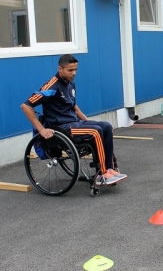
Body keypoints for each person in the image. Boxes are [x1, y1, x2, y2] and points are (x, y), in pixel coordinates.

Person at [20, 54, 127, 185]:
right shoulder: (51, 87)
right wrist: (41, 129)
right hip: (61, 128)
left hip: (74, 123)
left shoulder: (70, 85)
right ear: (60, 69)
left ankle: (110, 168)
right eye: (70, 70)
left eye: (75, 69)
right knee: (96, 131)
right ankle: (102, 173)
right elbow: (25, 106)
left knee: (106, 126)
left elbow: (75, 108)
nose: (74, 73)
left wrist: (87, 121)